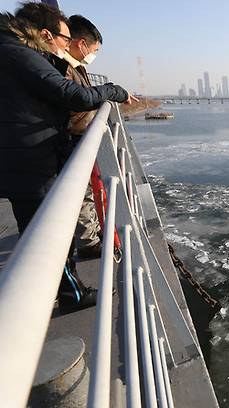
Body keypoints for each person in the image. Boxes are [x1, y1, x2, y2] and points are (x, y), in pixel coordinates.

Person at [0, 2, 135, 312]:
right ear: (46, 33)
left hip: (25, 155)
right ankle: (70, 294)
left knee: (40, 229)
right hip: (30, 158)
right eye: (64, 37)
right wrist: (112, 90)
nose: (64, 44)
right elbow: (74, 96)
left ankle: (50, 290)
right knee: (48, 232)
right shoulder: (19, 55)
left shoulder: (14, 53)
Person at [62, 15, 105, 259]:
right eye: (94, 49)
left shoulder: (77, 67)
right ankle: (88, 242)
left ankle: (91, 233)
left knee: (88, 192)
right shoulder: (63, 68)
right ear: (81, 43)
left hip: (80, 137)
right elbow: (78, 100)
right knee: (81, 193)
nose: (93, 55)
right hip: (72, 139)